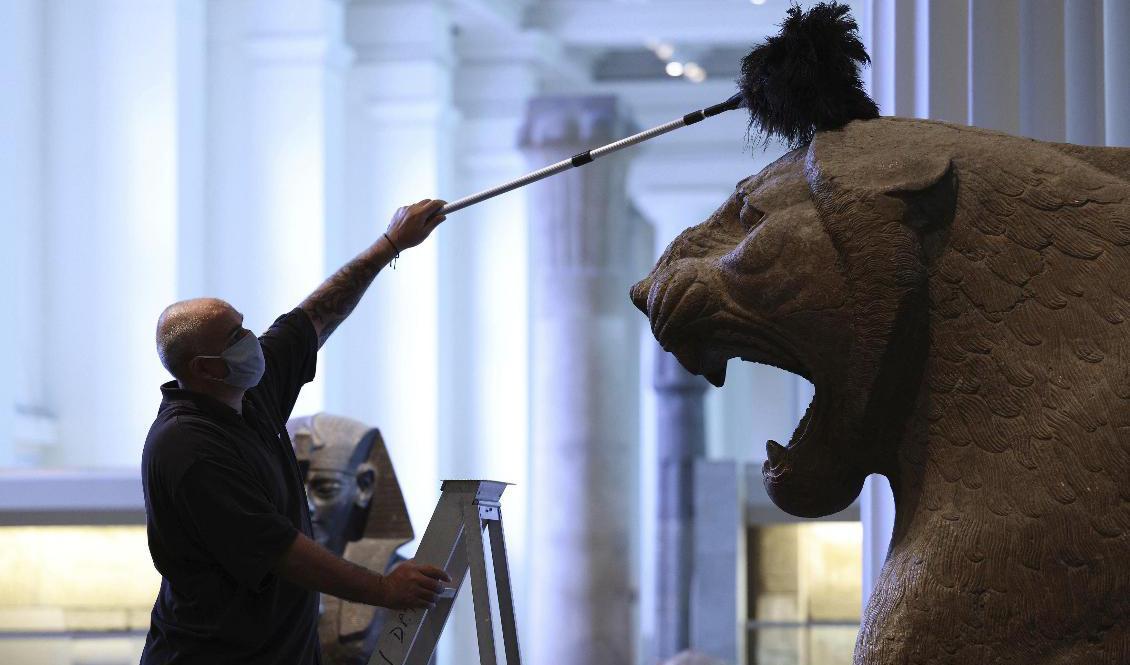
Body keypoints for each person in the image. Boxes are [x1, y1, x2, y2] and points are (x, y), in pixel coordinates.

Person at [140, 199, 452, 664]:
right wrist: (384, 588)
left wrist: (391, 243)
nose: (251, 341)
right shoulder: (188, 446)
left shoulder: (249, 394)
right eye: (235, 337)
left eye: (243, 327)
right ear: (205, 368)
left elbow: (318, 315)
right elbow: (282, 551)